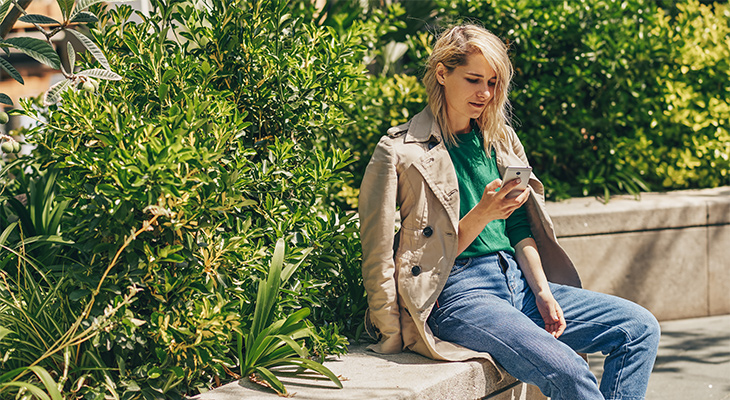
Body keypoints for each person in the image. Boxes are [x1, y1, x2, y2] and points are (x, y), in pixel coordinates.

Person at [359, 24, 660, 400]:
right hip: (459, 294)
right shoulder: (401, 152)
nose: (485, 93)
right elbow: (377, 252)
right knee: (569, 370)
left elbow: (519, 227)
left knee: (639, 328)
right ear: (442, 73)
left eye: (493, 82)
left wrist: (543, 290)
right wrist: (392, 333)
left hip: (516, 282)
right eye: (473, 79)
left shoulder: (500, 141)